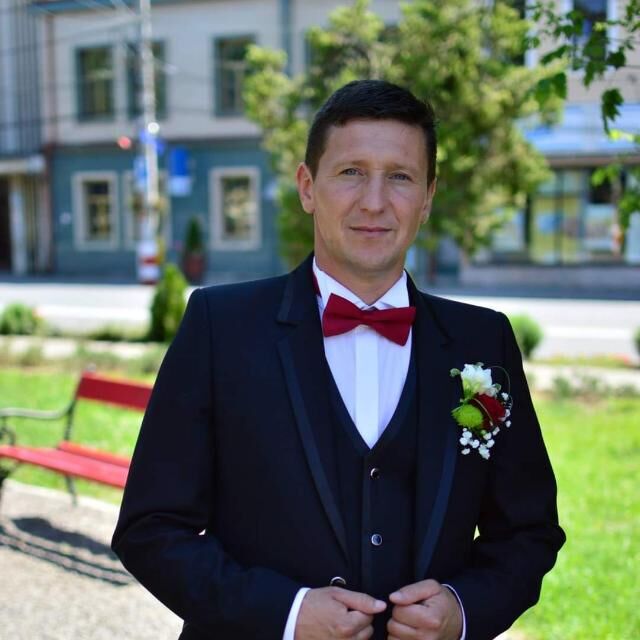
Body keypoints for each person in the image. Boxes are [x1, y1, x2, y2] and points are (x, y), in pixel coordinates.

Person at [112, 80, 565, 640]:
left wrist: (463, 609)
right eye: (351, 172)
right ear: (307, 187)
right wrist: (285, 614)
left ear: (427, 197)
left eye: (400, 177)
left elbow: (528, 531)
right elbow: (151, 528)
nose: (374, 201)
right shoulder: (219, 328)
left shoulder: (483, 341)